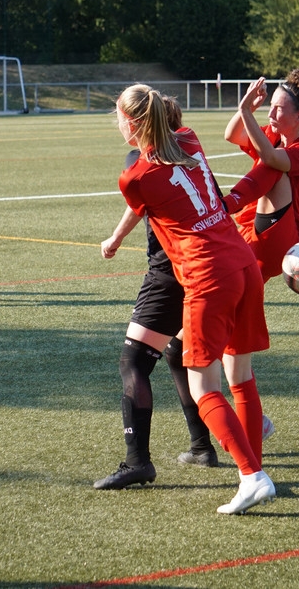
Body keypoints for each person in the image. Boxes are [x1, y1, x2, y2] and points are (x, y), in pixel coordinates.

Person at [95, 95, 277, 491]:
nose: (117, 126)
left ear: (133, 123)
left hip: (194, 271)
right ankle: (219, 453)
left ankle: (242, 473)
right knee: (232, 375)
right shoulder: (191, 140)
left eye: (119, 118)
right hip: (239, 261)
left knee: (147, 366)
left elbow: (141, 199)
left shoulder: (135, 174)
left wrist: (114, 237)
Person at [222, 68, 299, 281]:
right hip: (249, 232)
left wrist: (246, 111)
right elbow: (232, 135)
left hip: (279, 239)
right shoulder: (270, 135)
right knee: (232, 298)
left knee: (276, 168)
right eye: (270, 106)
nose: (270, 114)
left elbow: (271, 158)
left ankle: (224, 206)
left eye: (278, 109)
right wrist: (246, 110)